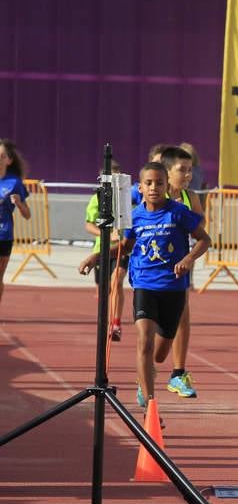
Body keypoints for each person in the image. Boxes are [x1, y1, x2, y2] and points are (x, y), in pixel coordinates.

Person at [78, 161, 210, 415]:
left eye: (159, 183)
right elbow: (125, 247)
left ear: (166, 185)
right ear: (140, 187)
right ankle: (150, 404)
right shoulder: (135, 216)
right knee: (144, 343)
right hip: (144, 285)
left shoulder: (178, 212)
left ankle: (146, 377)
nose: (154, 188)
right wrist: (96, 257)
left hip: (173, 288)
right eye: (148, 183)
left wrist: (187, 260)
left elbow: (205, 240)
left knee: (159, 355)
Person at [158, 145, 204, 398]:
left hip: (178, 271)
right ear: (167, 171)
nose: (188, 175)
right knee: (152, 327)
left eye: (190, 170)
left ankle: (178, 374)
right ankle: (146, 377)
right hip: (151, 270)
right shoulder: (151, 195)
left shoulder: (191, 198)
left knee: (182, 318)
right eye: (182, 170)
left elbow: (200, 234)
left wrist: (188, 258)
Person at [84, 160, 129, 341]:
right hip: (101, 249)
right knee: (103, 291)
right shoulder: (97, 198)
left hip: (122, 249)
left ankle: (116, 323)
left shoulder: (127, 200)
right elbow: (89, 225)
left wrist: (125, 236)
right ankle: (106, 320)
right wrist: (107, 235)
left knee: (116, 280)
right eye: (109, 179)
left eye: (116, 178)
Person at [0, 139, 31, 307]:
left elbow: (27, 215)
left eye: (2, 156)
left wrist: (19, 203)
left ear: (9, 160)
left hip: (3, 234)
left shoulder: (14, 182)